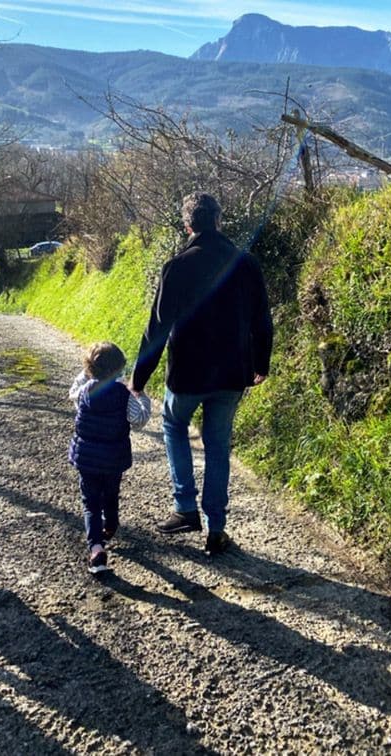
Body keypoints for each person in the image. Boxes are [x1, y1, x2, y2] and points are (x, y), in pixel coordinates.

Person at [131, 192, 273, 555]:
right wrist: (261, 364)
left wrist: (139, 379)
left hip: (188, 375)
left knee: (174, 425)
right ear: (220, 221)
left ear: (188, 224)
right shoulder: (246, 263)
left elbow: (157, 329)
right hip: (232, 374)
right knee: (218, 444)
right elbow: (262, 321)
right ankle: (217, 528)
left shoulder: (178, 266)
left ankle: (184, 507)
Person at [68, 341, 151, 573]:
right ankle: (111, 524)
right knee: (111, 492)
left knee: (90, 503)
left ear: (89, 369)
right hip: (113, 458)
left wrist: (85, 374)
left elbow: (72, 391)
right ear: (119, 370)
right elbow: (139, 420)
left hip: (87, 458)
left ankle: (96, 548)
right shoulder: (124, 395)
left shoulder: (83, 393)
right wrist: (142, 396)